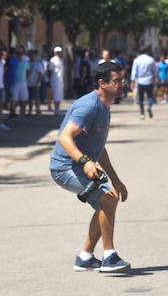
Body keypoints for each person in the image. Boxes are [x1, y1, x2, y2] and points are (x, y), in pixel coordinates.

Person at [50, 60, 130, 272]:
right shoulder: (88, 106)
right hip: (64, 167)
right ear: (102, 83)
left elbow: (99, 148)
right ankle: (109, 257)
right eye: (117, 81)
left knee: (108, 201)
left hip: (78, 165)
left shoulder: (105, 107)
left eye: (122, 79)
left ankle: (85, 257)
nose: (122, 84)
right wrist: (84, 161)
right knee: (108, 200)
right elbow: (65, 138)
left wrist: (116, 179)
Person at [131, 46, 156, 119]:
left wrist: (132, 81)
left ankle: (142, 114)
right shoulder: (151, 59)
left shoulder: (137, 60)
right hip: (149, 80)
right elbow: (154, 71)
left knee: (141, 98)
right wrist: (154, 78)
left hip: (140, 81)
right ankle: (149, 106)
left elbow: (134, 71)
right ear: (147, 52)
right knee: (150, 96)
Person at [26, 50, 43, 116]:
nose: (32, 57)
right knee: (29, 98)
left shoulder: (38, 64)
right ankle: (30, 111)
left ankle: (38, 110)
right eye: (31, 55)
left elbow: (40, 74)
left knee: (36, 98)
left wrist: (37, 83)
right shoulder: (28, 63)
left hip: (35, 83)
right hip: (28, 83)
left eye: (34, 56)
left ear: (36, 56)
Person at [49, 46, 65, 114]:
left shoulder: (61, 60)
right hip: (55, 79)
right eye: (57, 52)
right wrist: (49, 79)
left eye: (60, 52)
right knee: (55, 94)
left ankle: (58, 109)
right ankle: (55, 109)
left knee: (60, 94)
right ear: (55, 52)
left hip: (60, 80)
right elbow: (49, 70)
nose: (59, 53)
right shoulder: (52, 60)